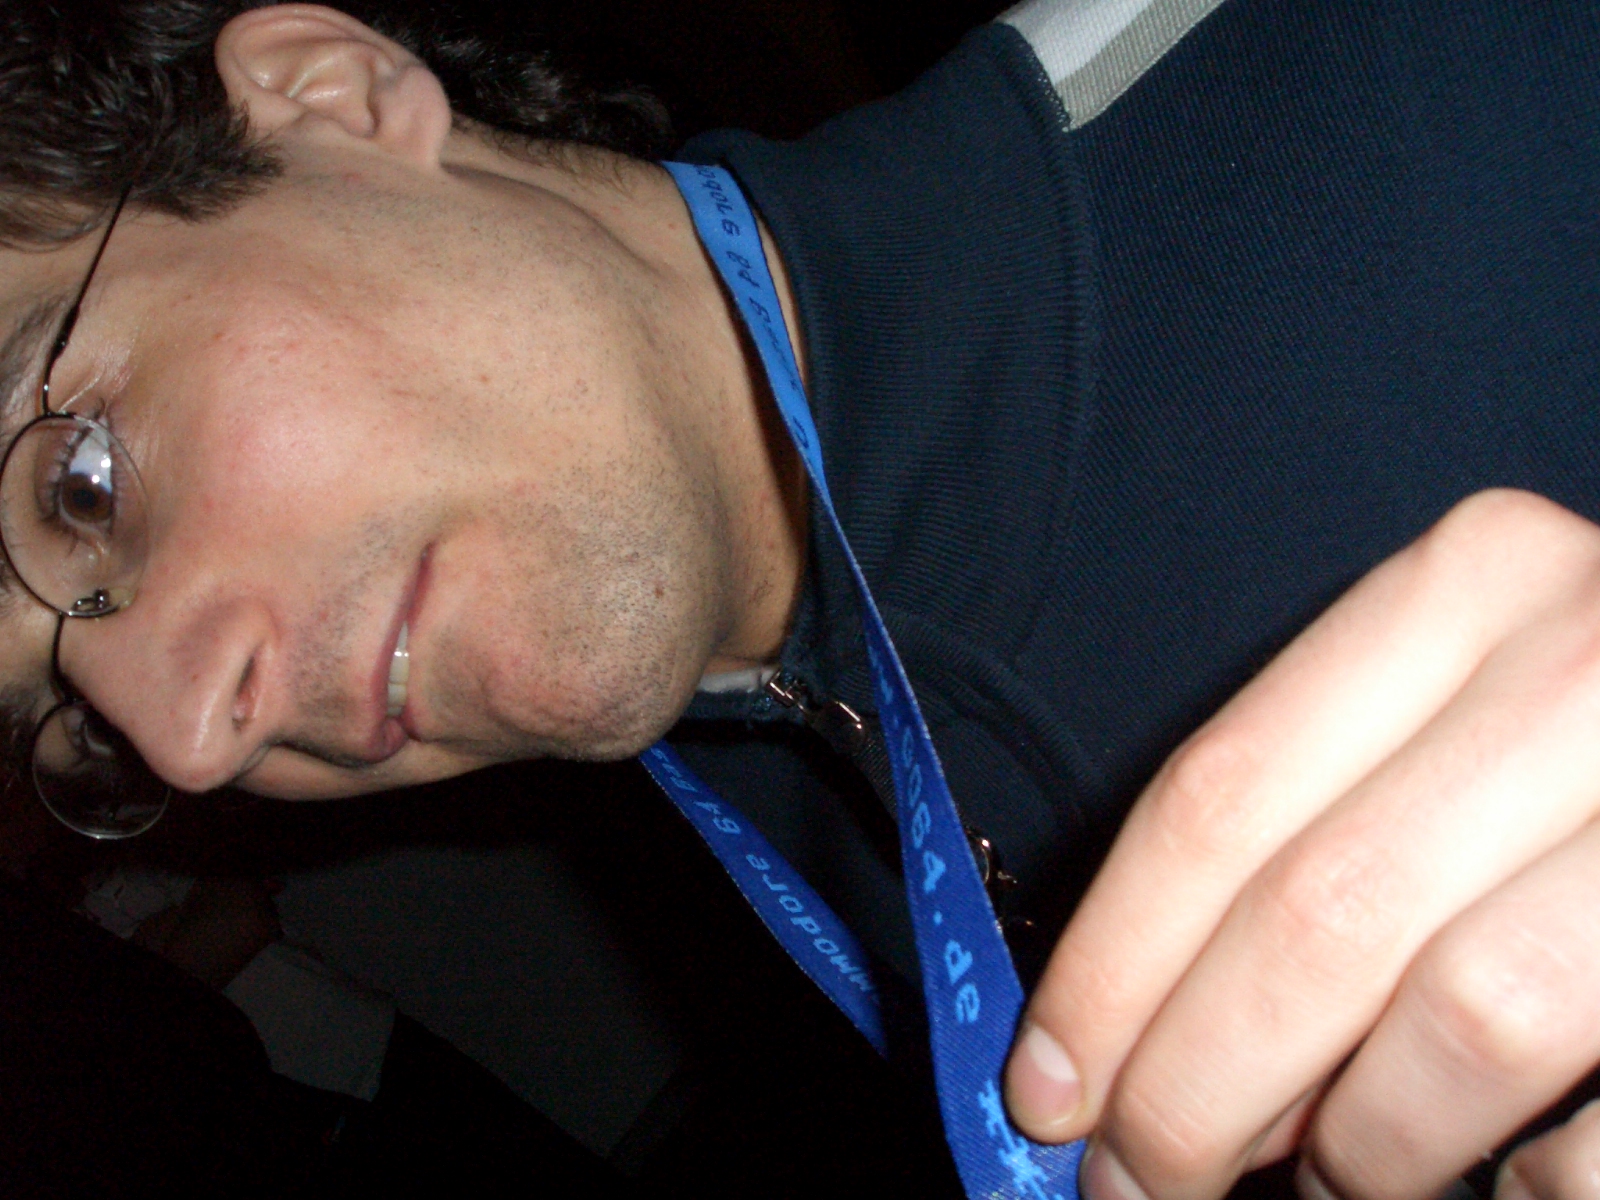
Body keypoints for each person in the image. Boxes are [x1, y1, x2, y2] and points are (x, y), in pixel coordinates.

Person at [0, 1, 1597, 1198]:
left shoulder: (1440, 53)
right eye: (73, 725)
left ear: (330, 98)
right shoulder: (764, 834)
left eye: (82, 484)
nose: (188, 740)